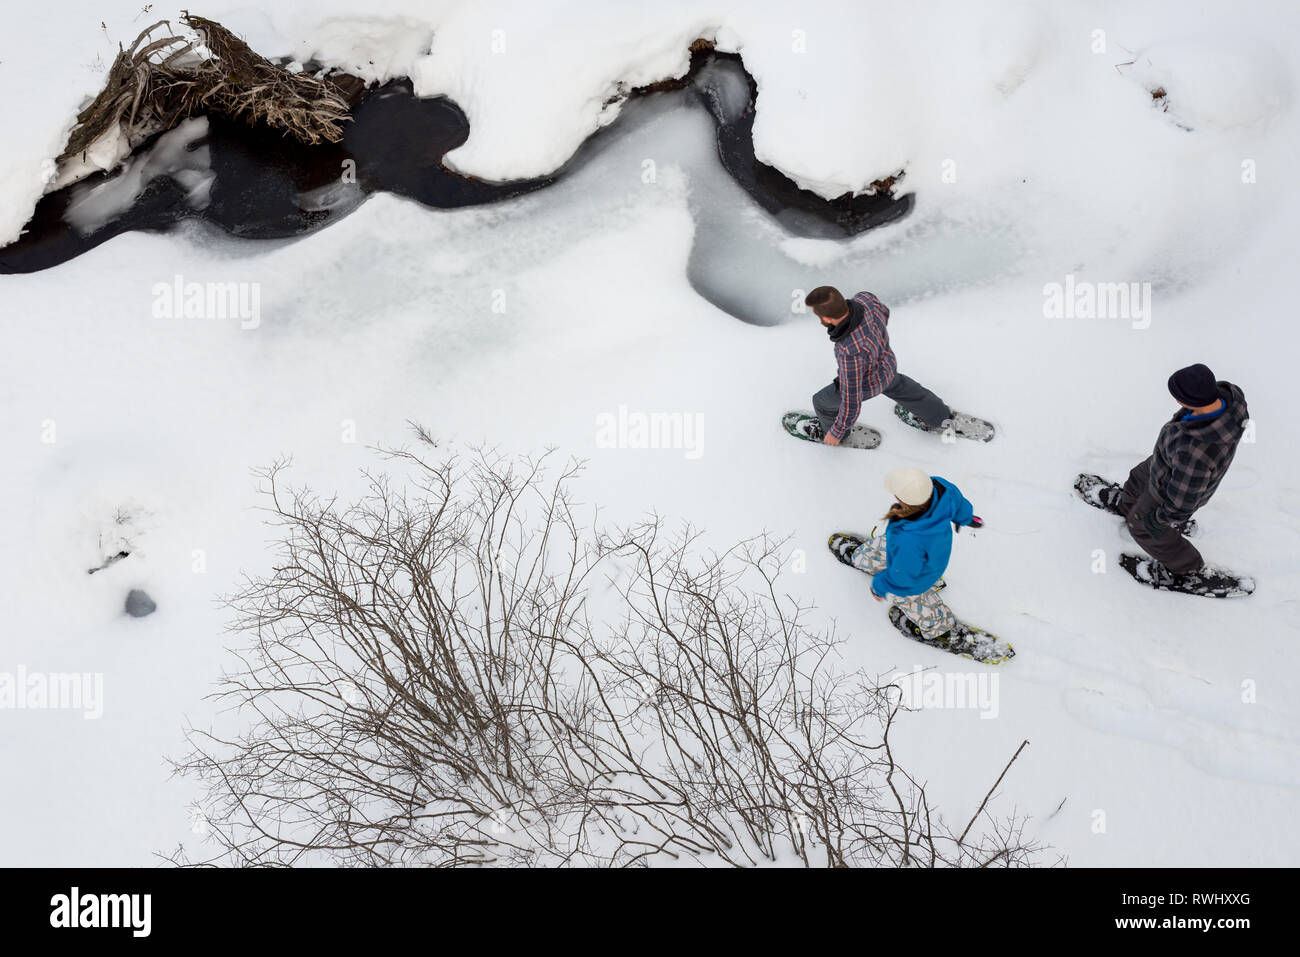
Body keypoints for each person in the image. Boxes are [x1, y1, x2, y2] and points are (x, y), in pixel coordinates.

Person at [1081, 363, 1249, 583]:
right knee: (1137, 478)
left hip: (1171, 489)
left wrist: (1163, 518)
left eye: (1178, 396)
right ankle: (1127, 505)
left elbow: (1183, 499)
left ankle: (1187, 569)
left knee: (1145, 528)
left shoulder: (1196, 452)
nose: (1176, 401)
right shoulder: (1225, 398)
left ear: (1193, 401)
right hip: (1167, 463)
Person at [798, 285, 985, 445]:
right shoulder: (865, 300)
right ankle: (940, 417)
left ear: (828, 319)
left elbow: (851, 398)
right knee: (907, 391)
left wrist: (837, 431)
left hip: (868, 383)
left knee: (821, 401)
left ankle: (833, 433)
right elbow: (885, 312)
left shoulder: (849, 351)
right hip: (886, 365)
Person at [830, 467, 983, 642]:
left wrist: (880, 585)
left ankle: (938, 626)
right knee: (885, 548)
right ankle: (863, 558)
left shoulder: (909, 541)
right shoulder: (939, 487)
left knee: (909, 596)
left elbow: (902, 577)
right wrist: (967, 517)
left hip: (919, 571)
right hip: (926, 549)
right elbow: (958, 503)